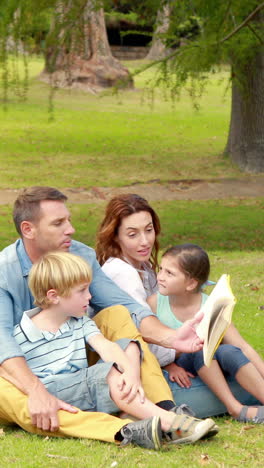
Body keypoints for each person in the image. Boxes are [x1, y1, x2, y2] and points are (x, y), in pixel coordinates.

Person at [0, 186, 214, 444]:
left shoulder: (79, 254)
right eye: (58, 223)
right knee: (21, 399)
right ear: (28, 229)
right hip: (16, 369)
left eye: (68, 220)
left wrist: (170, 339)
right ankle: (123, 429)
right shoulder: (4, 271)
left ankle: (163, 409)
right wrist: (35, 389)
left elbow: (126, 308)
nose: (71, 229)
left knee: (116, 314)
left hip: (73, 356)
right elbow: (3, 344)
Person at [13, 251, 217, 448]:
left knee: (127, 345)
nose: (90, 296)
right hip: (53, 395)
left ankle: (138, 413)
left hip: (84, 388)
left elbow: (107, 346)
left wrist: (131, 375)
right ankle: (169, 422)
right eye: (82, 290)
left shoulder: (80, 322)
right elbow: (10, 372)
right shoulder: (23, 333)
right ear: (54, 296)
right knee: (104, 373)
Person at [96, 193, 261, 418]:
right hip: (140, 371)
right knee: (222, 365)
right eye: (132, 234)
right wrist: (171, 362)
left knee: (230, 352)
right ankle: (236, 406)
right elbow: (137, 333)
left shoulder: (142, 268)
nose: (144, 241)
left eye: (149, 230)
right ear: (115, 237)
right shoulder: (122, 273)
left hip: (172, 358)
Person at [147, 244, 264, 424]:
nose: (160, 277)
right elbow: (149, 344)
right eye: (161, 269)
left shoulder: (211, 306)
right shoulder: (154, 303)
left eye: (169, 273)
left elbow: (242, 346)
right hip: (181, 364)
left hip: (212, 363)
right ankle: (234, 407)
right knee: (199, 349)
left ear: (191, 283)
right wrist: (169, 366)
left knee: (229, 350)